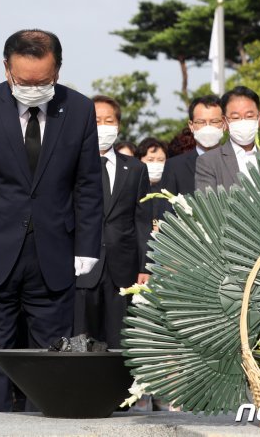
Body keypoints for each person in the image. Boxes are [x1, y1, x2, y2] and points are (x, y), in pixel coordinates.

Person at [0, 29, 103, 412]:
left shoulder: (79, 109)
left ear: (58, 71)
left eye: (43, 82)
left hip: (54, 250)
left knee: (51, 353)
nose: (33, 89)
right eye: (23, 81)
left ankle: (45, 423)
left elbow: (88, 182)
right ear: (6, 69)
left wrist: (87, 245)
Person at [74, 95, 151, 348]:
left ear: (118, 126)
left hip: (123, 268)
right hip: (82, 266)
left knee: (120, 340)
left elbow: (141, 222)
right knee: (82, 340)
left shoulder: (136, 169)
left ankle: (120, 387)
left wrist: (145, 266)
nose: (103, 126)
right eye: (96, 120)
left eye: (109, 120)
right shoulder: (70, 163)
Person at [157, 95, 224, 219]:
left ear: (224, 124)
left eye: (214, 121)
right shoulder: (175, 167)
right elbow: (166, 216)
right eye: (201, 122)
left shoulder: (237, 161)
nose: (207, 127)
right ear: (191, 125)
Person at [195, 86, 260, 192]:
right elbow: (208, 204)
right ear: (225, 121)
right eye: (236, 117)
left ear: (259, 118)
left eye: (249, 116)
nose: (243, 122)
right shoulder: (209, 162)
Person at [136, 138, 168, 229]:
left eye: (161, 160)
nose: (156, 164)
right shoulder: (132, 188)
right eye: (150, 160)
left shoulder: (170, 190)